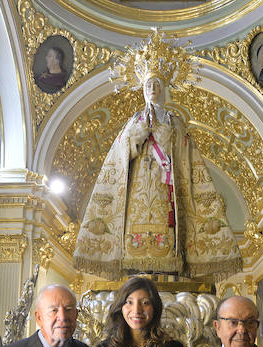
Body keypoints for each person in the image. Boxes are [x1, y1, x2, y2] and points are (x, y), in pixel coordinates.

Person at [73, 73, 241, 279]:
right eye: (148, 84)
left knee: (168, 231)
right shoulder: (134, 120)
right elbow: (119, 152)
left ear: (163, 89)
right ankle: (134, 269)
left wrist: (165, 138)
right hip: (137, 189)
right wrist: (137, 136)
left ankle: (168, 267)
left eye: (157, 84)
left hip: (166, 188)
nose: (152, 87)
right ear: (143, 89)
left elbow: (186, 154)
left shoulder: (174, 122)